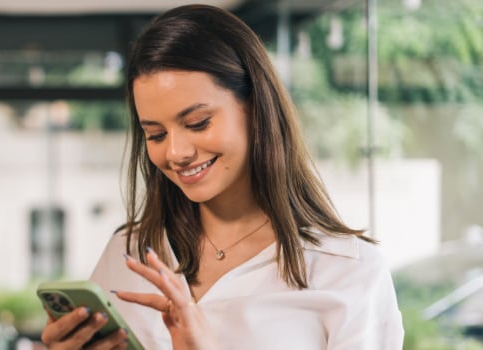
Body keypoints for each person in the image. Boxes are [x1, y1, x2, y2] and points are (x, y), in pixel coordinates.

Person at [40, 4, 404, 349]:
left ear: (255, 108)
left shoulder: (348, 271)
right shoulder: (129, 252)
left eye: (197, 123)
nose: (176, 152)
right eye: (155, 134)